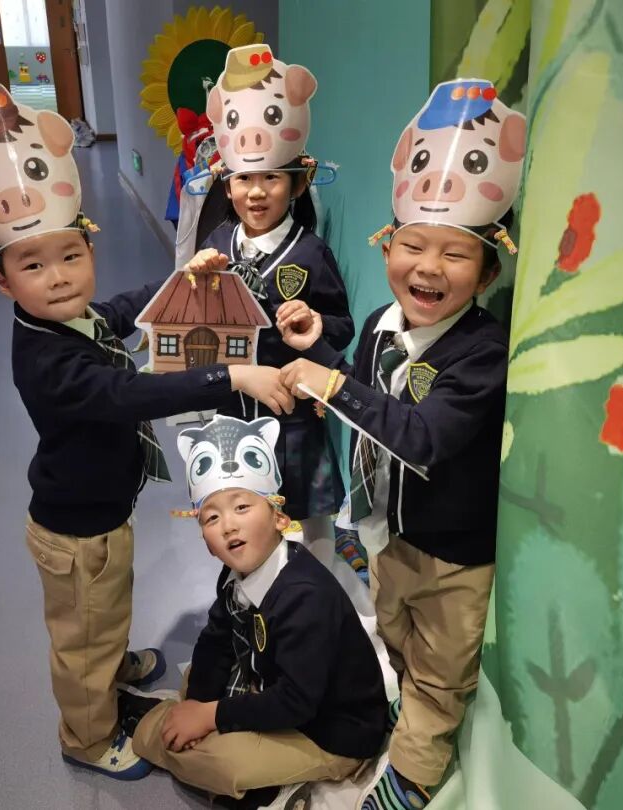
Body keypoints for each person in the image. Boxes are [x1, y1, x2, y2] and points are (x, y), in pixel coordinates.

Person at [0, 82, 293, 780]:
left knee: (104, 610)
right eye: (33, 265)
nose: (59, 277)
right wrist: (232, 376)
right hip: (75, 530)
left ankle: (112, 663)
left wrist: (183, 276)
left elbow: (123, 310)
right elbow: (129, 393)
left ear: (88, 246)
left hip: (102, 510)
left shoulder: (70, 318)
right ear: (2, 281)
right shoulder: (47, 361)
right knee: (80, 639)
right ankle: (88, 735)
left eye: (71, 255)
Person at [277, 78, 525, 809]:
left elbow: (420, 435)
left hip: (453, 555)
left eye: (455, 254)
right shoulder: (384, 325)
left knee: (443, 669)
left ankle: (414, 776)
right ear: (387, 244)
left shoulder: (481, 352)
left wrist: (330, 385)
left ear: (488, 270)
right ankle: (408, 705)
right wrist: (323, 350)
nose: (428, 267)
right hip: (389, 534)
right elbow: (368, 401)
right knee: (395, 634)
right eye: (412, 244)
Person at [127, 415, 387, 808]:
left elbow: (297, 702)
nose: (228, 526)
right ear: (206, 541)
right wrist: (197, 704)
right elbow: (216, 639)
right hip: (269, 681)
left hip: (330, 732)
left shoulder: (304, 598)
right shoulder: (234, 574)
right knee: (200, 677)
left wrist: (209, 717)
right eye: (212, 518)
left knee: (221, 764)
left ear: (280, 518)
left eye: (242, 507)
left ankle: (149, 725)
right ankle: (181, 719)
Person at [185, 44, 354, 560]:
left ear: (297, 183)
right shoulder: (215, 242)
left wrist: (315, 320)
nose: (256, 192)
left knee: (307, 533)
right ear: (227, 183)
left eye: (271, 178)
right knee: (243, 527)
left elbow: (342, 327)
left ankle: (312, 590)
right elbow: (194, 327)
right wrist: (193, 284)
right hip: (231, 411)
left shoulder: (311, 252)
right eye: (243, 179)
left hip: (295, 417)